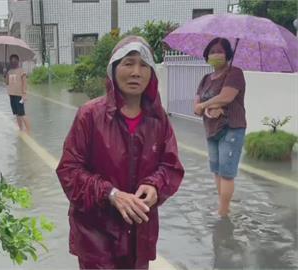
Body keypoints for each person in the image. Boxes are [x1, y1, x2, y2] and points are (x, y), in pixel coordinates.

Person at [56, 36, 184, 269]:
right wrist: (111, 194)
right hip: (96, 237)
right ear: (113, 69)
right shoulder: (89, 116)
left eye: (144, 65)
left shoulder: (158, 120)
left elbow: (171, 166)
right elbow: (68, 170)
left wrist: (155, 185)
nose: (136, 72)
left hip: (140, 237)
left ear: (151, 73)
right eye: (128, 63)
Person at [194, 37, 246, 217]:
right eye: (212, 51)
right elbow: (196, 107)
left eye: (220, 51)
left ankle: (223, 212)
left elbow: (227, 96)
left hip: (231, 127)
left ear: (228, 54)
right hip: (211, 129)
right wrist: (208, 110)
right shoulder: (205, 79)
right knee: (216, 170)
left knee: (226, 173)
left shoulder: (235, 73)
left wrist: (207, 105)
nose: (215, 54)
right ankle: (223, 206)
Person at [4, 54, 31, 132]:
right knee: (17, 114)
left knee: (22, 113)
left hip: (19, 95)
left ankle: (28, 130)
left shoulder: (21, 71)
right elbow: (6, 82)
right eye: (11, 61)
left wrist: (24, 93)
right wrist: (5, 74)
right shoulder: (9, 71)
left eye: (15, 60)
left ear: (18, 61)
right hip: (11, 94)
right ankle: (21, 129)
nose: (13, 62)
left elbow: (24, 83)